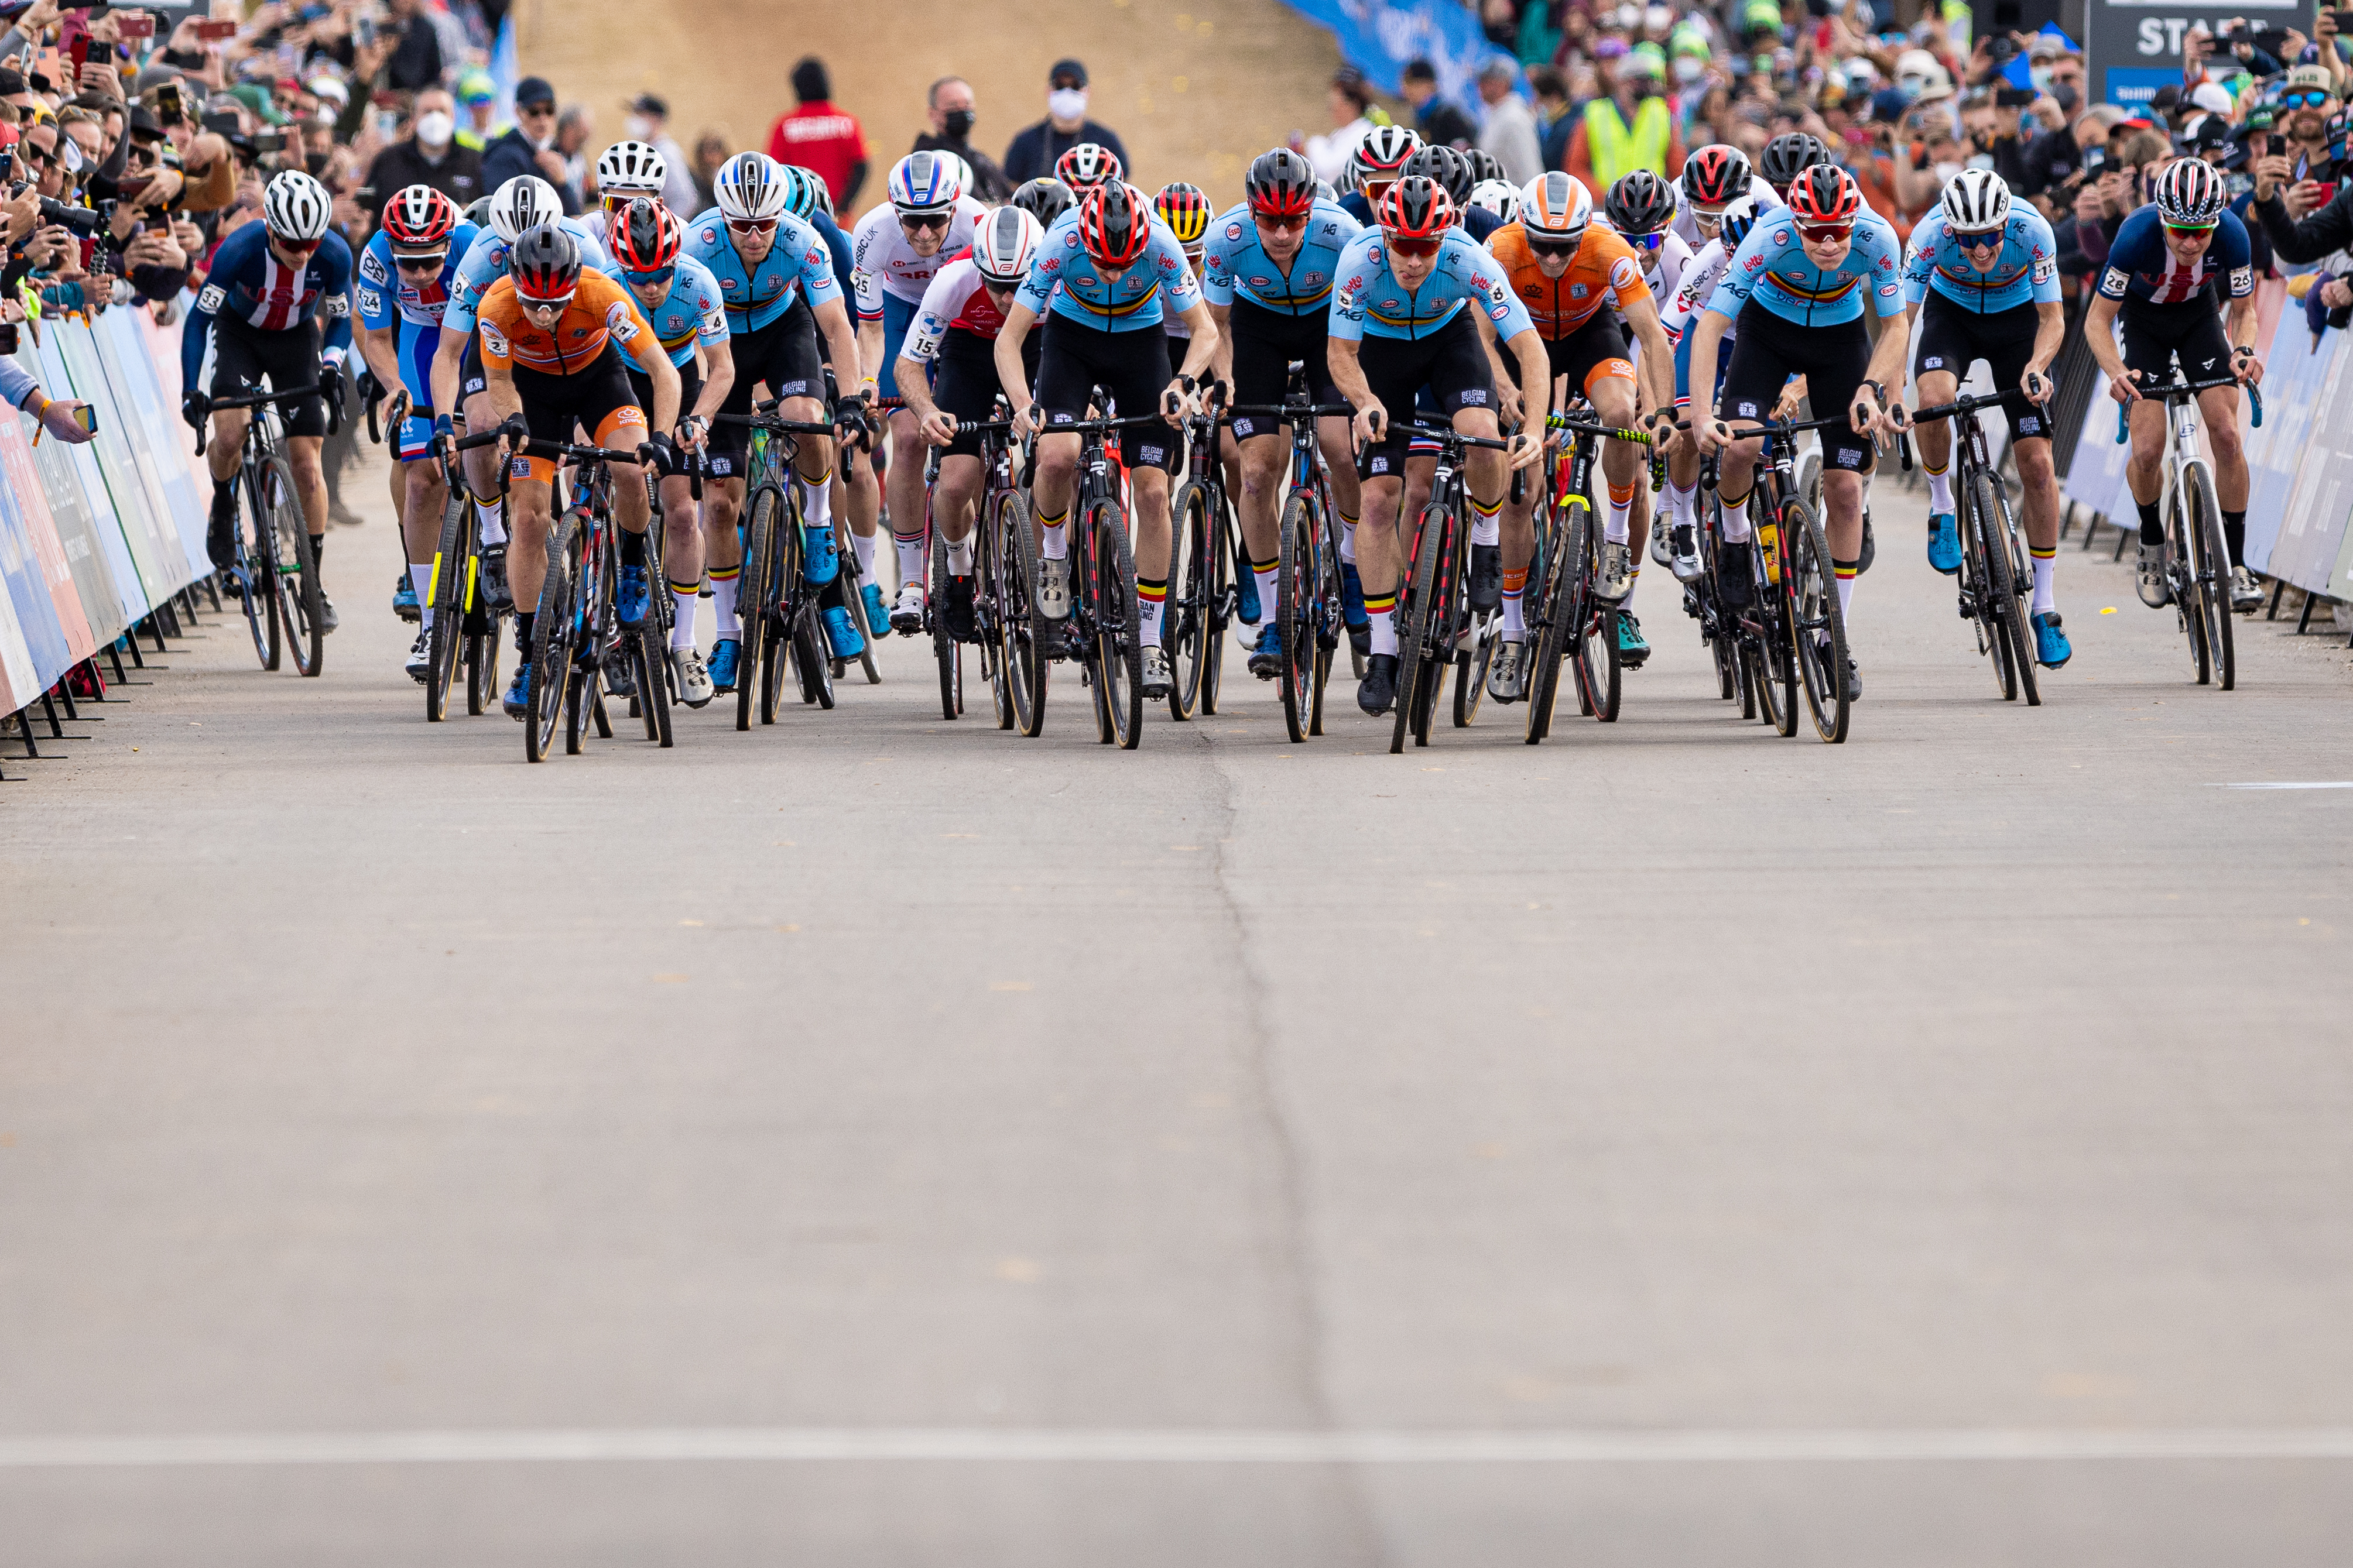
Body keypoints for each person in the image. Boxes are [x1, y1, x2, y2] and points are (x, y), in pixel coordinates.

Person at [1326, 175, 1547, 717]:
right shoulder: (1358, 262)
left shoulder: (1469, 259)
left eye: (1427, 247)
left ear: (1444, 237)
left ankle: (1487, 540)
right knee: (1378, 499)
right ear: (1385, 234)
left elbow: (1530, 349)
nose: (1414, 261)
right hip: (1381, 355)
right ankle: (1382, 651)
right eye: (1402, 245)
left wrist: (1536, 430)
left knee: (1482, 433)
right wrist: (1364, 402)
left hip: (1449, 344)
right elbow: (1340, 355)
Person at [1690, 164, 1912, 704]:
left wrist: (1871, 390)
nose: (1830, 243)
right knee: (1742, 444)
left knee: (1845, 487)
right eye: (1815, 232)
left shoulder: (1876, 237)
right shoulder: (1769, 238)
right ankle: (1737, 539)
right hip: (1767, 338)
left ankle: (1835, 633)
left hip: (1840, 343)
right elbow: (1712, 326)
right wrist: (1700, 415)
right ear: (1795, 221)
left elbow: (1896, 326)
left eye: (1839, 230)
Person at [994, 180, 1220, 696]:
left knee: (1154, 491)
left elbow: (1204, 331)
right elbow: (1010, 339)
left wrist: (1181, 385)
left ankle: (1147, 640)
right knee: (1055, 456)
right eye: (1104, 265)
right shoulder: (1062, 244)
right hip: (1072, 341)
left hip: (1141, 344)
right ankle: (1053, 555)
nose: (1115, 273)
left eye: (1125, 264)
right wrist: (1022, 403)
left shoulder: (1161, 245)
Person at [1481, 171, 1676, 697]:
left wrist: (1659, 414)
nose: (1550, 258)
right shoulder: (1499, 247)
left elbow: (1655, 339)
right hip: (1521, 343)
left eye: (1563, 246)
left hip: (1589, 335)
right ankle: (1515, 633)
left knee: (1617, 413)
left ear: (1582, 234)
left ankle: (1613, 541)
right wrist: (1503, 389)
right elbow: (1476, 332)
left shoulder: (1608, 248)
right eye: (1541, 245)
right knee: (1519, 498)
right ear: (1524, 231)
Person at [473, 224, 676, 719]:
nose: (544, 317)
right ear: (516, 284)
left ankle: (630, 566)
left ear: (573, 287)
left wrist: (663, 437)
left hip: (598, 381)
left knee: (630, 471)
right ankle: (529, 654)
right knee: (527, 519)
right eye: (534, 304)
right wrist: (513, 418)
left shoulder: (601, 294)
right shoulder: (495, 308)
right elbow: (499, 382)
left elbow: (662, 372)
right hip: (533, 392)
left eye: (556, 305)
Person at [683, 152, 871, 684]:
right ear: (723, 218)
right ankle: (726, 634)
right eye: (741, 225)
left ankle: (816, 529)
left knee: (807, 418)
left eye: (765, 223)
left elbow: (836, 327)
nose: (755, 236)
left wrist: (852, 398)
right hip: (720, 352)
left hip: (782, 331)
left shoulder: (801, 240)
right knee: (720, 497)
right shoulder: (697, 246)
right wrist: (696, 410)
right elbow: (688, 344)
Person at [1898, 169, 2072, 670]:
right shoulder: (1929, 237)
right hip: (1951, 318)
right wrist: (1889, 388)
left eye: (1990, 238)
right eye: (1969, 240)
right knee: (1932, 399)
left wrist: (2037, 367)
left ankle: (2044, 606)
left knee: (2037, 465)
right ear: (1951, 229)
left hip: (2017, 325)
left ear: (2004, 224)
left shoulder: (2032, 231)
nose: (1980, 251)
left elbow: (2052, 319)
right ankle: (1942, 507)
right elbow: (1900, 322)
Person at [1203, 147, 1366, 676]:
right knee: (1254, 474)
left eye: (1293, 219)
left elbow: (1360, 323)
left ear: (1310, 210)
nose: (1280, 233)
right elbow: (1217, 326)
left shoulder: (1341, 234)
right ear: (1252, 212)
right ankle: (1275, 615)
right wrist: (1225, 380)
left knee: (1340, 448)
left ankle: (1351, 561)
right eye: (1269, 220)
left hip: (1326, 331)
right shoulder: (1225, 239)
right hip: (1258, 330)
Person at [2083, 157, 2265, 615]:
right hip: (2143, 324)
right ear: (2161, 219)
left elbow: (2243, 311)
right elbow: (2097, 321)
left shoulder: (2232, 234)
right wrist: (2116, 373)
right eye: (2178, 230)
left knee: (2225, 434)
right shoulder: (2135, 235)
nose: (2189, 242)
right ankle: (2149, 541)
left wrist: (2242, 351)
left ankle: (2238, 564)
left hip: (2198, 318)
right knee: (2146, 450)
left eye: (2199, 232)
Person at [181, 170, 355, 634]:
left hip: (296, 340)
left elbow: (341, 320)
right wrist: (190, 389)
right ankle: (223, 503)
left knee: (307, 466)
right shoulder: (238, 250)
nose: (302, 255)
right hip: (240, 336)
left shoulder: (335, 254)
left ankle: (311, 581)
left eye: (310, 245)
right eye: (291, 244)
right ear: (271, 230)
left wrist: (333, 363)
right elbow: (198, 322)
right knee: (231, 433)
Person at [895, 205, 1046, 641]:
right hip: (970, 352)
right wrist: (927, 412)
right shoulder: (953, 279)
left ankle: (1048, 570)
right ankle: (959, 574)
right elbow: (909, 365)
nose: (1005, 297)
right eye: (995, 284)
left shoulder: (1055, 278)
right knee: (957, 481)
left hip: (1037, 348)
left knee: (1061, 457)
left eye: (1017, 286)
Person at [606, 195, 732, 707]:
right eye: (639, 278)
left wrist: (699, 419)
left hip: (678, 378)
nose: (651, 287)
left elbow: (722, 367)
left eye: (660, 273)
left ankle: (684, 644)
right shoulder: (606, 287)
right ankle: (602, 590)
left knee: (682, 513)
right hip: (615, 377)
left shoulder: (698, 284)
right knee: (614, 476)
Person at [851, 150, 985, 630]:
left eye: (935, 221)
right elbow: (869, 331)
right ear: (894, 212)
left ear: (954, 210)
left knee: (977, 433)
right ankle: (911, 581)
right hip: (901, 311)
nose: (925, 234)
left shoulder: (978, 224)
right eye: (912, 222)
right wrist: (868, 383)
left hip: (961, 315)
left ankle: (979, 545)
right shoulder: (872, 234)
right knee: (907, 438)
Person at [352, 183, 477, 678]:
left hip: (476, 339)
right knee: (422, 479)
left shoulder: (473, 244)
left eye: (431, 262)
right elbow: (377, 334)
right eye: (411, 264)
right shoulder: (377, 256)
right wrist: (394, 386)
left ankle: (492, 544)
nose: (422, 273)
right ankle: (430, 624)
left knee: (482, 453)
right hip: (422, 340)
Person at [1567, 48, 1684, 199]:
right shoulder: (1595, 114)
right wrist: (1605, 197)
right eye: (1637, 80)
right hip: (1605, 208)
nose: (1643, 85)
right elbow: (1576, 167)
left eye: (1647, 80)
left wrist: (1664, 199)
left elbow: (1677, 168)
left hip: (1652, 206)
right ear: (1621, 82)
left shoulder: (1663, 114)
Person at [359, 88, 484, 222]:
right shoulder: (388, 161)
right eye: (427, 111)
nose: (435, 118)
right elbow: (371, 214)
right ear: (414, 118)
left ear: (453, 117)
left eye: (442, 111)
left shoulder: (475, 162)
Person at [1002, 59, 1129, 186]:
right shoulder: (1025, 142)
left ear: (1087, 92)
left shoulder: (1107, 141)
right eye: (1060, 86)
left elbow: (1120, 188)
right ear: (1049, 90)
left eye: (1075, 86)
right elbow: (1012, 190)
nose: (1067, 92)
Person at [766, 56, 867, 211]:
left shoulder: (784, 126)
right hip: (838, 217)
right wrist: (844, 207)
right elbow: (861, 168)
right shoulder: (847, 123)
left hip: (798, 214)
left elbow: (775, 171)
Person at [480, 77, 573, 214]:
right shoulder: (503, 155)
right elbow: (502, 212)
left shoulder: (555, 151)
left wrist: (562, 183)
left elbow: (576, 217)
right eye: (534, 112)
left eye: (549, 110)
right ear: (518, 111)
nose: (543, 118)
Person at [913, 76, 1010, 204]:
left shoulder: (981, 160)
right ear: (933, 114)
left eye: (967, 104)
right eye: (953, 106)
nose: (962, 110)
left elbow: (1009, 197)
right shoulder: (929, 160)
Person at [622, 94, 703, 217]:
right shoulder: (647, 151)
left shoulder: (665, 153)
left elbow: (686, 199)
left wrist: (666, 229)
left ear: (657, 119)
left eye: (640, 113)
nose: (634, 118)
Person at [1475, 59, 1543, 186]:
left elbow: (1530, 171)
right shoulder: (1499, 114)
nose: (1479, 86)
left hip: (1513, 201)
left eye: (1485, 82)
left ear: (1502, 84)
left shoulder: (1513, 118)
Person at [1398, 59, 1478, 151]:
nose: (1405, 89)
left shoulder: (1449, 117)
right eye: (1404, 83)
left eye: (1411, 83)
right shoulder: (1423, 117)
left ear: (1429, 84)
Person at [453, 68, 499, 154]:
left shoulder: (505, 133)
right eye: (474, 101)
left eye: (484, 100)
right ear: (467, 106)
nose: (480, 108)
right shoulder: (459, 138)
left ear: (493, 103)